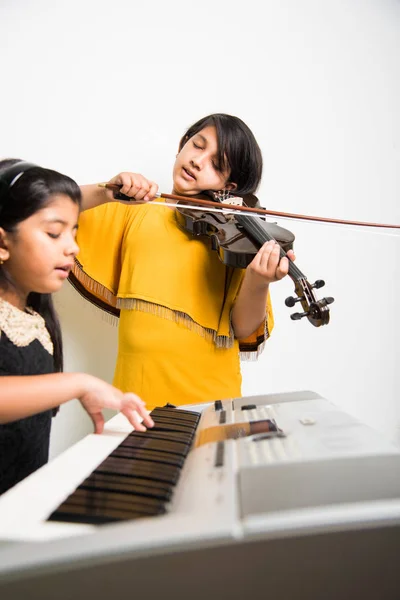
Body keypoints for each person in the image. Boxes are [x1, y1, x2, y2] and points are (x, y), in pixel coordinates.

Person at [71, 113, 295, 410]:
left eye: (217, 165)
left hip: (211, 402)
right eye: (197, 145)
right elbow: (53, 205)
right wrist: (106, 192)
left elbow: (243, 328)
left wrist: (259, 280)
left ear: (230, 185)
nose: (198, 161)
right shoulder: (137, 209)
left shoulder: (232, 237)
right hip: (136, 398)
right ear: (182, 145)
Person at [0, 159, 154, 496]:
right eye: (54, 233)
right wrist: (78, 384)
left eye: (74, 232)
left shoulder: (33, 318)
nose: (73, 247)